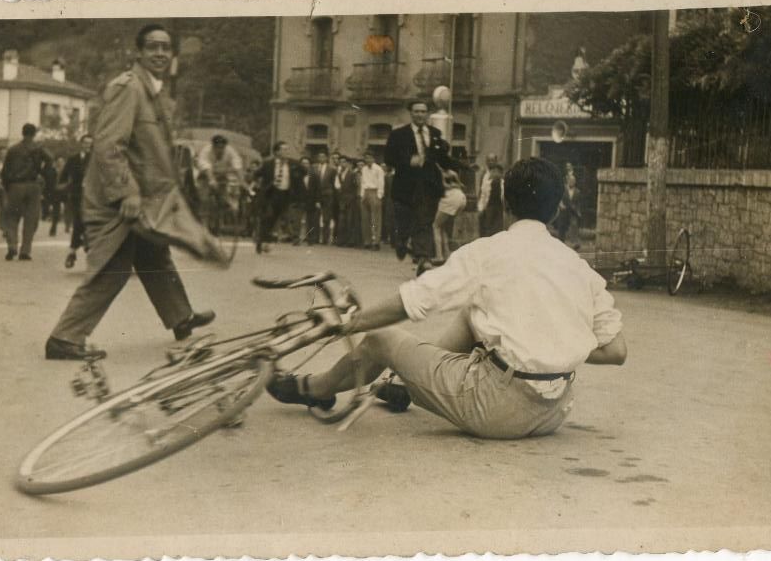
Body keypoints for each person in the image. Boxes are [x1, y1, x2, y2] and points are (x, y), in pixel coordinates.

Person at [267, 157, 627, 440]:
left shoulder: (489, 252)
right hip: (554, 413)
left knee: (381, 340)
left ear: (506, 204)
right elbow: (616, 351)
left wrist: (349, 322)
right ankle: (400, 386)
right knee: (476, 312)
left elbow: (414, 301)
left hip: (494, 410)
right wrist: (555, 343)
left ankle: (315, 388)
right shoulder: (579, 267)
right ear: (557, 209)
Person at [45, 25, 217, 361]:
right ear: (137, 53)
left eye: (166, 48)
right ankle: (64, 337)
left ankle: (180, 317)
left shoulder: (153, 93)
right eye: (152, 47)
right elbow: (109, 144)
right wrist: (126, 193)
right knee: (115, 265)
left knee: (154, 254)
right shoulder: (128, 88)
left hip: (144, 197)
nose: (160, 54)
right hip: (117, 198)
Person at [386, 99, 451, 273]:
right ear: (411, 113)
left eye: (423, 111)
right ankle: (402, 242)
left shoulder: (435, 133)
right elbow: (388, 158)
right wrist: (407, 161)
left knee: (424, 221)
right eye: (417, 111)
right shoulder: (399, 134)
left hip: (429, 186)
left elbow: (441, 158)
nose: (420, 115)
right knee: (405, 223)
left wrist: (451, 169)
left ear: (427, 114)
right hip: (405, 187)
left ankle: (424, 258)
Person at [1, 122, 53, 261]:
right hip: (33, 185)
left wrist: (7, 186)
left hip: (15, 186)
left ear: (22, 133)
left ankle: (12, 246)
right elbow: (51, 159)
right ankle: (25, 250)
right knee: (31, 220)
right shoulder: (39, 149)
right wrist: (41, 172)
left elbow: (5, 171)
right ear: (34, 133)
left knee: (11, 217)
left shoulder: (13, 149)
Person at [251, 141, 301, 255]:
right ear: (277, 151)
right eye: (284, 149)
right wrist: (260, 185)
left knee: (275, 218)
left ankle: (265, 239)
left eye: (287, 149)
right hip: (271, 193)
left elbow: (304, 171)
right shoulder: (268, 163)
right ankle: (261, 241)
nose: (286, 152)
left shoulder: (293, 163)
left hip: (284, 194)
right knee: (267, 216)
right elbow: (256, 174)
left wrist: (296, 179)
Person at [58, 134, 93, 269]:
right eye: (85, 143)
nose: (88, 146)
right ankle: (73, 252)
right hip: (78, 196)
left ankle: (77, 251)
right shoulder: (73, 159)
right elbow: (63, 178)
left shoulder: (97, 160)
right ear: (81, 144)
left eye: (90, 144)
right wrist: (69, 187)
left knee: (87, 224)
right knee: (79, 222)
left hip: (94, 198)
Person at [434, 171, 466, 262]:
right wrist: (456, 185)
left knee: (435, 226)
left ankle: (439, 255)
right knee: (442, 227)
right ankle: (446, 253)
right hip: (461, 197)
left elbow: (442, 186)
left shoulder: (440, 172)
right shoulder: (452, 172)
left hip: (450, 198)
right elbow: (461, 184)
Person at [358, 150, 385, 249]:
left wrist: (379, 195)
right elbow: (363, 182)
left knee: (375, 219)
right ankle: (367, 241)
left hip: (375, 192)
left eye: (369, 158)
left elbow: (381, 182)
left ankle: (375, 241)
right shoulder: (364, 169)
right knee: (365, 218)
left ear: (373, 158)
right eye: (366, 158)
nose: (367, 160)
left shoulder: (378, 169)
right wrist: (362, 195)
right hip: (366, 192)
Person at [550, 165, 580, 245]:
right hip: (564, 210)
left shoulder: (577, 191)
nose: (572, 182)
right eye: (570, 181)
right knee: (562, 227)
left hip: (572, 211)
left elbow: (578, 203)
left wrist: (577, 211)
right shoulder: (563, 189)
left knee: (574, 225)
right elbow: (558, 197)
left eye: (573, 181)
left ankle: (575, 242)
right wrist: (561, 204)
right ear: (567, 181)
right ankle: (560, 242)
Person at [476, 155, 505, 238]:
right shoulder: (484, 174)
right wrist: (480, 206)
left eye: (492, 160)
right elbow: (482, 191)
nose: (490, 162)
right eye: (488, 160)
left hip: (496, 204)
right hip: (486, 204)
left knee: (495, 230)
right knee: (484, 229)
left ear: (496, 161)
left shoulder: (499, 174)